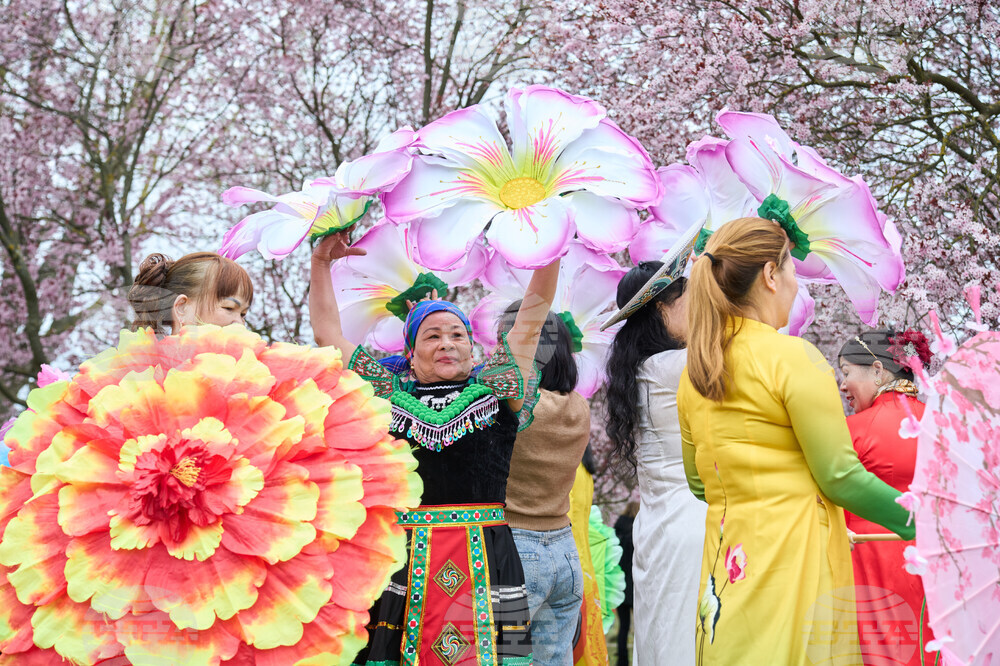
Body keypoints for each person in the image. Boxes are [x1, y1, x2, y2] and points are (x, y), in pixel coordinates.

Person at [309, 230, 559, 665]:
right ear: (410, 353)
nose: (447, 343)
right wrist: (321, 265)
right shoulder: (383, 391)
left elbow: (532, 317)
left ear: (471, 346)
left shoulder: (497, 386)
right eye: (432, 336)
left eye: (457, 335)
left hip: (487, 553)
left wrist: (549, 240)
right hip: (407, 555)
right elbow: (328, 334)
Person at [676, 217, 915, 665]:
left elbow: (699, 482)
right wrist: (923, 521)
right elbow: (840, 475)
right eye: (790, 271)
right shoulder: (792, 358)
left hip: (727, 566)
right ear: (770, 275)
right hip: (793, 559)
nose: (794, 285)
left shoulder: (697, 374)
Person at [604, 260, 706, 666]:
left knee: (662, 638)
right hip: (692, 519)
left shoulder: (643, 367)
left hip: (658, 524)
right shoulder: (675, 367)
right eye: (690, 298)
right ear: (663, 307)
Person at [839, 330, 937, 665]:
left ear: (878, 370)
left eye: (847, 373)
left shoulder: (853, 431)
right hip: (934, 558)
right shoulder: (941, 425)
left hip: (869, 561)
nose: (842, 385)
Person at [500, 306, 589, 666]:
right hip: (565, 554)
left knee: (505, 658)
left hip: (518, 553)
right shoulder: (578, 407)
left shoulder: (519, 405)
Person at [128, 252, 253, 332]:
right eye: (228, 308)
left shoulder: (250, 370)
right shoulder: (145, 372)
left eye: (243, 315)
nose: (240, 324)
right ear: (182, 307)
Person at [612, 502, 636, 666]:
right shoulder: (638, 533)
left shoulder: (616, 533)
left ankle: (622, 661)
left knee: (623, 627)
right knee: (642, 627)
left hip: (619, 586)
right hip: (636, 587)